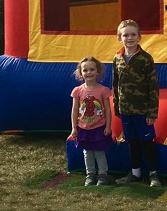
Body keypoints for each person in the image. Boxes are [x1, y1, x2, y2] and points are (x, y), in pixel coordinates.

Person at [112, 19, 161, 188]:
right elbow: (115, 84)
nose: (129, 38)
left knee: (147, 142)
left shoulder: (145, 59)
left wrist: (152, 112)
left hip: (143, 111)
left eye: (133, 35)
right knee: (131, 141)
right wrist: (117, 106)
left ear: (139, 37)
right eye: (126, 35)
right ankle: (135, 173)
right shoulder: (117, 58)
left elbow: (153, 87)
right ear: (120, 38)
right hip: (126, 111)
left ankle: (154, 174)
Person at [69, 56, 114, 186]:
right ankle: (90, 174)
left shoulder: (103, 90)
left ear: (98, 72)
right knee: (87, 152)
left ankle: (103, 174)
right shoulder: (78, 91)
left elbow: (107, 110)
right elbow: (75, 110)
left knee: (99, 152)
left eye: (92, 69)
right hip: (83, 127)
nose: (89, 72)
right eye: (85, 70)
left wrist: (108, 126)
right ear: (81, 73)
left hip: (99, 127)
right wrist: (74, 127)